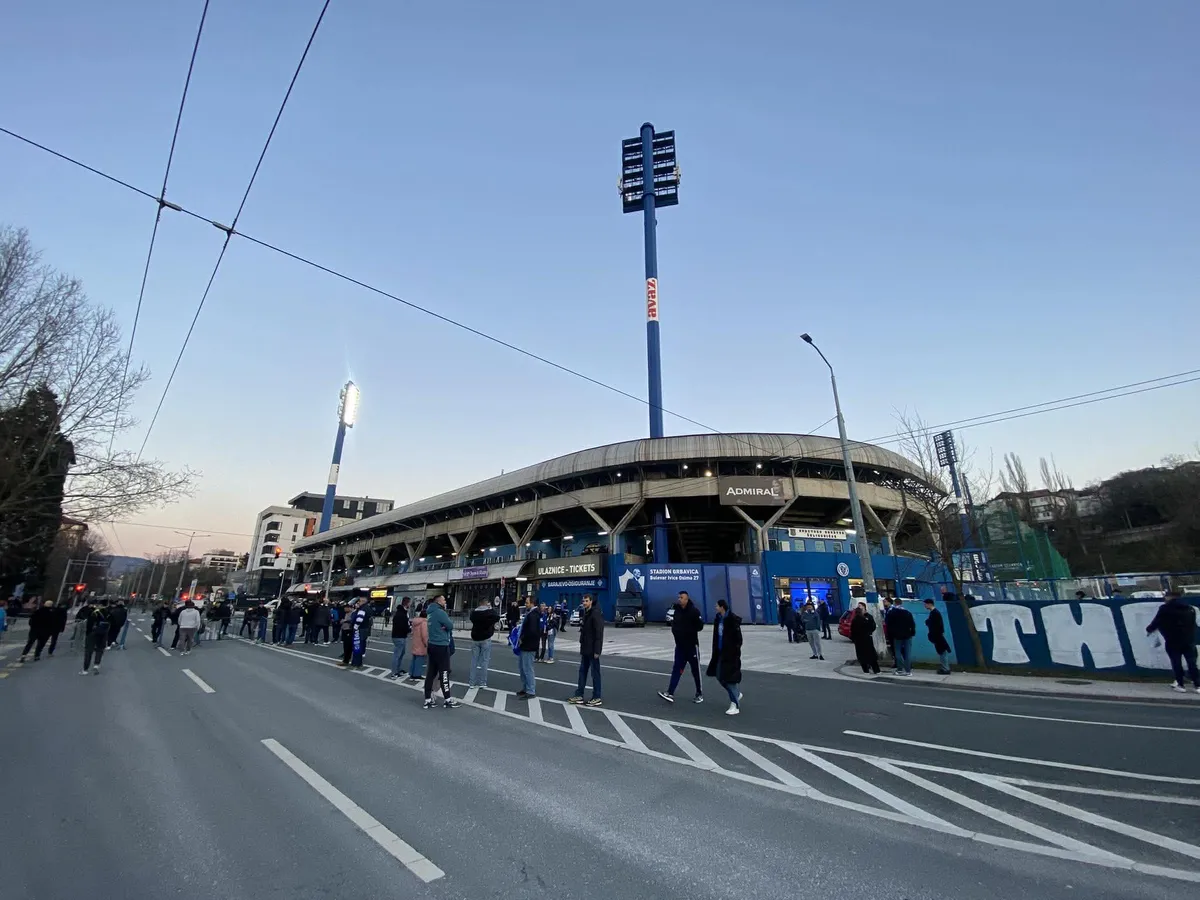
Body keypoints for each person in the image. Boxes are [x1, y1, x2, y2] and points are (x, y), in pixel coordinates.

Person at [1146, 591, 1199, 693]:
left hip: (1172, 641)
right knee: (1192, 663)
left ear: (1169, 597)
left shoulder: (1165, 609)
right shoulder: (1190, 608)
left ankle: (1181, 685)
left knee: (1176, 662)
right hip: (1189, 640)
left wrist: (1149, 629)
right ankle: (1197, 685)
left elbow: (1157, 621)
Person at [658, 590, 705, 704]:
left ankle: (699, 693)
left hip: (692, 646)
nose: (679, 599)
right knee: (676, 670)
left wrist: (689, 630)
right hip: (680, 647)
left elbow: (700, 626)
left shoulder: (693, 611)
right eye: (679, 597)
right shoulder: (677, 611)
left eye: (682, 597)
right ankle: (670, 692)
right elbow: (674, 624)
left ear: (687, 599)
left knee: (695, 671)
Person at [707, 598, 743, 715]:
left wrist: (734, 650)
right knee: (719, 675)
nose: (715, 607)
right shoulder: (718, 619)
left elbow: (738, 638)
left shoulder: (731, 620)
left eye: (717, 606)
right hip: (720, 652)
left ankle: (735, 704)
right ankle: (736, 694)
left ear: (722, 607)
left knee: (730, 679)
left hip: (730, 654)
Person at [422, 594, 459, 709]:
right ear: (439, 601)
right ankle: (447, 699)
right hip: (441, 645)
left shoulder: (430, 613)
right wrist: (444, 627)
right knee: (444, 672)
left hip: (432, 644)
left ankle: (427, 699)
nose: (445, 601)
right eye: (443, 600)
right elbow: (450, 625)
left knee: (431, 673)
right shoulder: (440, 613)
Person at [568, 594, 604, 706]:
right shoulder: (586, 613)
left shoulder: (595, 613)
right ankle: (579, 695)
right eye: (583, 601)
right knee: (582, 672)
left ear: (591, 601)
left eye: (586, 601)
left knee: (595, 674)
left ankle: (597, 696)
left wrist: (597, 651)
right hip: (585, 649)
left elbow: (599, 633)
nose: (584, 603)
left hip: (593, 650)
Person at [468, 596, 499, 688]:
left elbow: (471, 619)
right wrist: (490, 608)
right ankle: (482, 682)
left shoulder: (474, 613)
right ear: (486, 603)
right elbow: (496, 617)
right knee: (484, 661)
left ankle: (471, 682)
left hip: (475, 638)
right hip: (485, 638)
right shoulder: (489, 612)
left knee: (474, 661)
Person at [516, 596, 542, 699]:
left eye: (527, 603)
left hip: (529, 645)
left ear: (532, 603)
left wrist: (522, 637)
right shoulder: (531, 614)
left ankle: (530, 691)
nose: (525, 604)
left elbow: (532, 631)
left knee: (527, 669)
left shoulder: (533, 615)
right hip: (526, 645)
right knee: (522, 668)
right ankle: (526, 688)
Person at [886, 598, 916, 676]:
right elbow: (912, 624)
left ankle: (900, 669)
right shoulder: (907, 613)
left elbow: (889, 625)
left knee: (898, 652)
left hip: (897, 635)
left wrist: (890, 634)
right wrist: (912, 632)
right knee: (907, 653)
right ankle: (908, 671)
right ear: (901, 603)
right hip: (907, 635)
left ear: (895, 603)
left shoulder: (892, 613)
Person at [79, 601, 111, 675]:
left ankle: (85, 669)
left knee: (89, 651)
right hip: (103, 633)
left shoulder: (94, 612)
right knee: (99, 649)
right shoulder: (108, 612)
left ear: (99, 605)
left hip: (93, 633)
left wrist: (88, 633)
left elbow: (89, 623)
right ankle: (96, 665)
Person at [849, 602, 880, 675]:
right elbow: (853, 630)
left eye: (860, 606)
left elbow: (873, 626)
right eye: (858, 606)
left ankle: (874, 669)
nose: (859, 607)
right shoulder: (857, 619)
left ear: (864, 607)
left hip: (865, 638)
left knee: (868, 654)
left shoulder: (868, 617)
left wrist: (869, 633)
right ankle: (868, 669)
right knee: (865, 654)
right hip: (862, 639)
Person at [923, 598, 952, 675]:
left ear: (930, 604)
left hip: (938, 635)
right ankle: (944, 667)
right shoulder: (934, 613)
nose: (924, 606)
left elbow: (936, 625)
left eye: (925, 604)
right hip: (937, 635)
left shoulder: (935, 613)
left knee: (942, 651)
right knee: (942, 651)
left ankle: (945, 668)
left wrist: (928, 623)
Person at [388, 597, 411, 679]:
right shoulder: (401, 614)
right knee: (398, 654)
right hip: (399, 636)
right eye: (409, 603)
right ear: (407, 603)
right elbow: (402, 626)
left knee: (401, 653)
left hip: (400, 635)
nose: (410, 604)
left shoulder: (401, 612)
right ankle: (394, 672)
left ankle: (398, 670)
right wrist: (409, 629)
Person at [407, 607, 429, 682]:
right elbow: (424, 635)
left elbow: (412, 632)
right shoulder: (424, 623)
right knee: (419, 660)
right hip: (421, 644)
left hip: (415, 642)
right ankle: (417, 674)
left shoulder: (415, 622)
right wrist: (427, 643)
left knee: (414, 659)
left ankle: (411, 673)